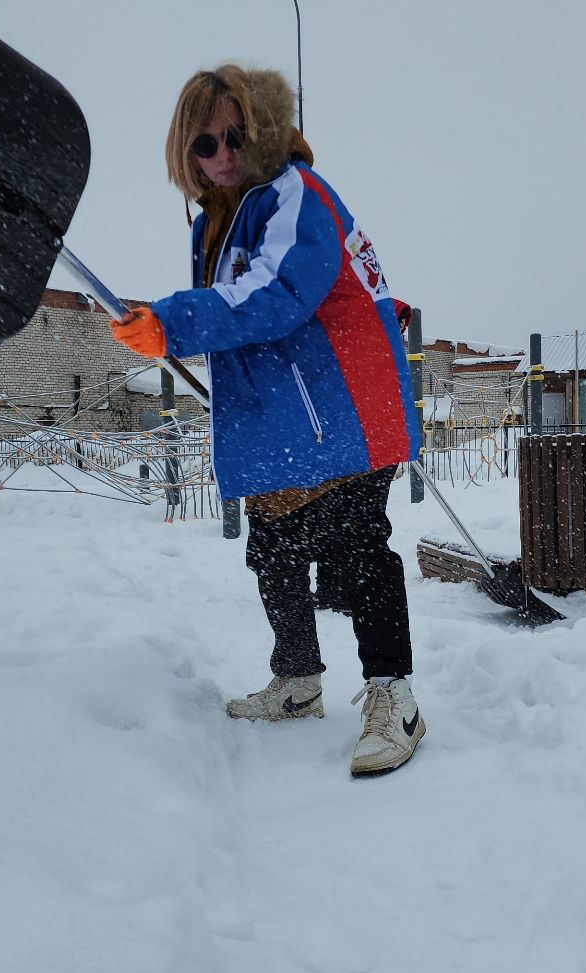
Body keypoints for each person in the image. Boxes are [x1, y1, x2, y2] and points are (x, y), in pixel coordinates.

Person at [110, 64, 427, 777]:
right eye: (203, 143)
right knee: (275, 549)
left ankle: (393, 694)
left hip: (343, 405)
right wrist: (174, 334)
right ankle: (298, 681)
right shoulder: (217, 222)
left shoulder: (296, 194)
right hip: (289, 419)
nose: (221, 153)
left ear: (265, 131)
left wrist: (175, 322)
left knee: (357, 551)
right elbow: (245, 325)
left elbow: (278, 294)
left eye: (234, 135)